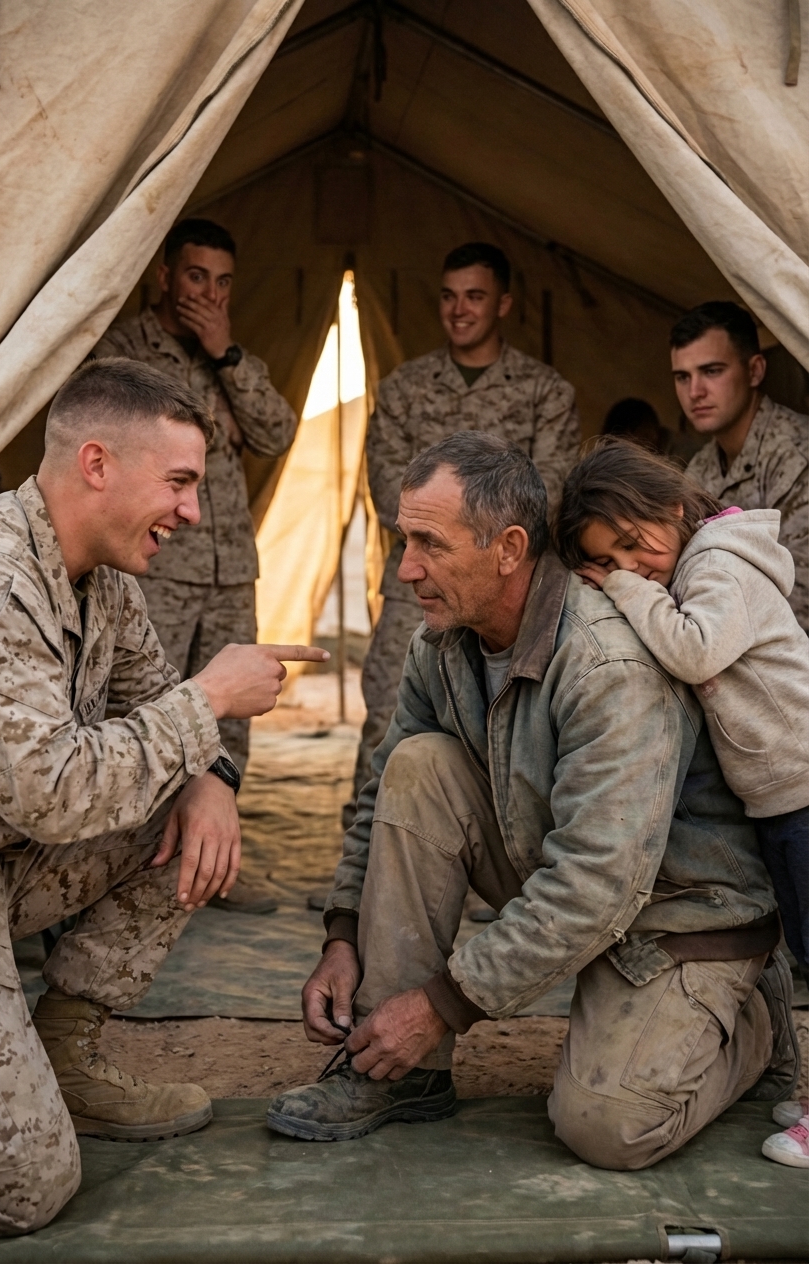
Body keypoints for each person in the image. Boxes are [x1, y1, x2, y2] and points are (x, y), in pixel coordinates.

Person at [267, 431, 796, 1168]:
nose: (407, 568)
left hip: (682, 913)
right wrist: (343, 935)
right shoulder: (439, 643)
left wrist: (442, 1005)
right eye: (403, 540)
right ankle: (399, 1072)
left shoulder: (606, 662)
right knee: (416, 768)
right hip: (563, 867)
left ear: (509, 549)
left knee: (607, 1128)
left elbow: (598, 881)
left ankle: (755, 1022)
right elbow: (378, 792)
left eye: (430, 544)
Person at [0, 358, 326, 1237]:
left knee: (184, 813)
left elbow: (152, 699)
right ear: (97, 464)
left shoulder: (103, 577)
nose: (194, 511)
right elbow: (53, 793)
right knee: (24, 1188)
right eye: (179, 482)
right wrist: (212, 699)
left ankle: (65, 1053)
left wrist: (214, 781)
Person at [553, 438, 809, 1167]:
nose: (631, 565)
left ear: (673, 507)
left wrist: (624, 588)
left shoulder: (720, 563)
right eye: (609, 558)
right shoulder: (695, 563)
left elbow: (695, 650)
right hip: (781, 800)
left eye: (634, 543)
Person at [94, 218, 299, 912]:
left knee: (229, 721)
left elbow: (276, 432)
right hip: (154, 567)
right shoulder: (124, 351)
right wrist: (217, 422)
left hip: (229, 565)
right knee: (146, 714)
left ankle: (214, 867)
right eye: (195, 277)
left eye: (223, 282)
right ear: (164, 275)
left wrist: (226, 356)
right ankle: (131, 869)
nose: (209, 295)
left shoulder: (229, 356)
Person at [350, 241, 581, 819]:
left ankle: (502, 856)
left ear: (502, 304)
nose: (459, 309)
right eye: (449, 296)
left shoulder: (544, 392)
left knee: (516, 722)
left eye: (474, 296)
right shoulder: (404, 389)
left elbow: (550, 496)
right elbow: (387, 488)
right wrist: (448, 530)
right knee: (388, 719)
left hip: (513, 587)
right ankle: (370, 850)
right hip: (416, 580)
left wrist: (464, 530)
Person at [670, 301, 808, 633]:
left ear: (755, 371)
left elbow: (798, 605)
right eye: (682, 377)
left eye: (712, 371)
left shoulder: (797, 456)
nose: (695, 392)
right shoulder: (700, 468)